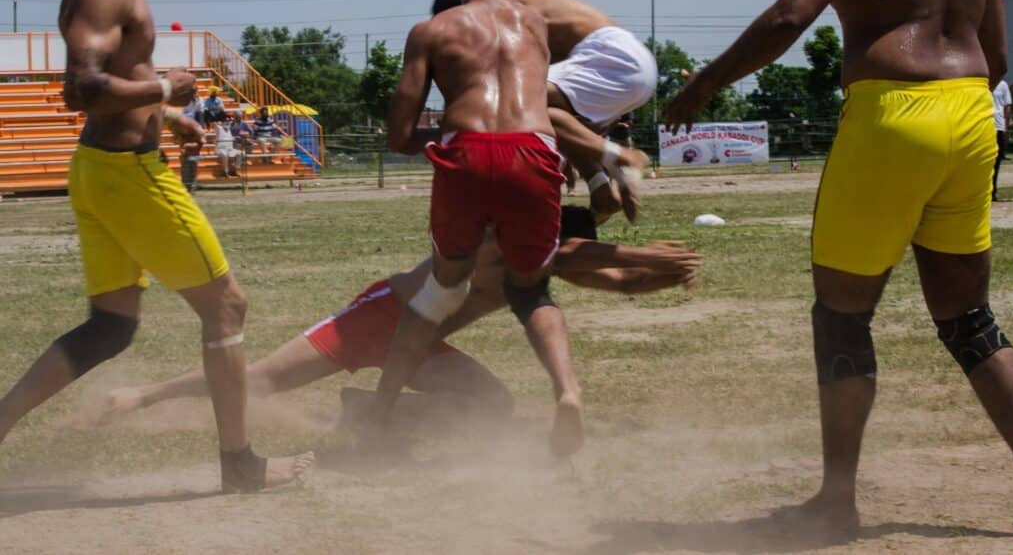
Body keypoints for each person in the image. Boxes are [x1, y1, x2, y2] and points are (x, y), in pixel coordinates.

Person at [664, 0, 1013, 537]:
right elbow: (996, 54)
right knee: (969, 320)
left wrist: (707, 82)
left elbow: (789, 16)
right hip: (972, 115)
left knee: (843, 318)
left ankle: (835, 504)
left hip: (892, 113)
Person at [0, 0, 312, 493]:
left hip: (101, 170)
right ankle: (241, 466)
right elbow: (81, 87)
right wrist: (167, 89)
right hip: (127, 177)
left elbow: (115, 82)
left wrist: (167, 117)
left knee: (111, 328)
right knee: (227, 305)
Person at [93, 208, 702, 434]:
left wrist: (667, 275)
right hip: (379, 317)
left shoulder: (536, 273)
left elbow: (609, 278)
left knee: (491, 407)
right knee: (262, 379)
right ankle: (143, 395)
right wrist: (650, 256)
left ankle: (366, 412)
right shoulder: (503, 245)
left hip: (422, 342)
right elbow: (582, 257)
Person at [371, 0, 584, 455]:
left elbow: (399, 136)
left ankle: (378, 414)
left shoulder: (431, 30)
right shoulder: (534, 21)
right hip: (534, 151)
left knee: (441, 292)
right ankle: (568, 393)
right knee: (531, 291)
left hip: (465, 153)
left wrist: (446, 139)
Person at [433, 0, 654, 223]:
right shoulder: (518, 12)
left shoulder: (505, 12)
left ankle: (620, 157)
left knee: (514, 100)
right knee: (541, 112)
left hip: (614, 60)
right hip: (627, 65)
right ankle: (601, 188)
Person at [993, 80, 1012, 200]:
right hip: (983, 125)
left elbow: (1007, 106)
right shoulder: (981, 81)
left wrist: (1005, 126)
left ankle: (993, 190)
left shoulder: (1003, 84)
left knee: (997, 161)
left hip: (998, 126)